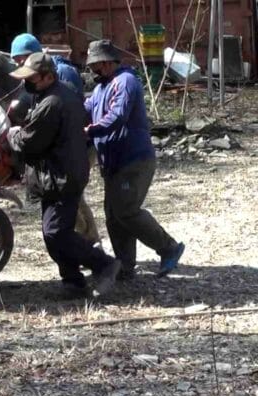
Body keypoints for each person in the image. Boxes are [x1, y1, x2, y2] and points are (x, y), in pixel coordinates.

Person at [7, 53, 121, 298]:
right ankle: (73, 282)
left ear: (48, 77)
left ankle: (104, 264)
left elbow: (30, 142)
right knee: (54, 234)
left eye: (32, 78)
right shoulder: (58, 94)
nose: (27, 83)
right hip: (58, 174)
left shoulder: (52, 102)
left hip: (62, 176)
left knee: (56, 233)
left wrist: (12, 134)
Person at [84, 40, 185, 279]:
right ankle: (125, 265)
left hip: (133, 159)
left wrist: (90, 131)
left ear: (106, 62)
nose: (92, 70)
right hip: (113, 162)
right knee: (114, 215)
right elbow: (84, 109)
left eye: (95, 65)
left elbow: (117, 116)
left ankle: (168, 247)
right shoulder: (100, 89)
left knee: (126, 210)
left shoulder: (126, 82)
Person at [10, 33, 101, 246]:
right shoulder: (34, 77)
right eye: (16, 62)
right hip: (58, 147)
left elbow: (65, 111)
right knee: (69, 199)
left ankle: (89, 244)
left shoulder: (61, 73)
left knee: (70, 196)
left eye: (21, 60)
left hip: (74, 147)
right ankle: (86, 243)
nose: (20, 66)